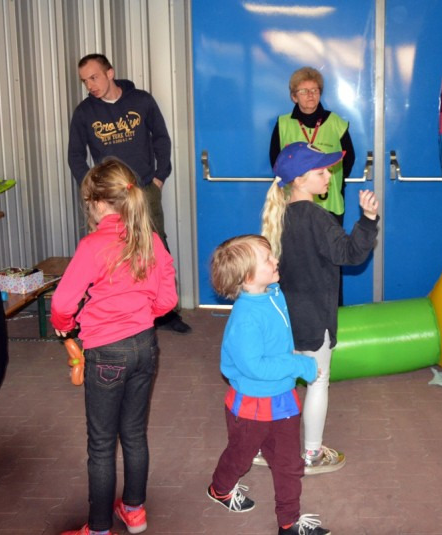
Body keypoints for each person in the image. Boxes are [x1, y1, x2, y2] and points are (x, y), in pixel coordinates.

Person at [51, 158, 178, 535]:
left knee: (102, 444)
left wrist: (65, 326)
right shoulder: (150, 238)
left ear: (96, 201)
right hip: (145, 347)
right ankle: (134, 511)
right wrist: (141, 315)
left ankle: (99, 528)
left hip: (106, 353)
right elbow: (168, 299)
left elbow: (62, 303)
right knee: (134, 433)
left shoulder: (92, 245)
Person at [260, 142, 378, 474]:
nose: (329, 176)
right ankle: (311, 454)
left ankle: (264, 447)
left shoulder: (275, 217)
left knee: (278, 383)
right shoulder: (318, 218)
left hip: (282, 320)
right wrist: (369, 220)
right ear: (299, 179)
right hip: (314, 320)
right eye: (321, 171)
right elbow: (351, 254)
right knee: (317, 381)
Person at [206, 234, 330, 535]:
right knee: (240, 457)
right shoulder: (246, 318)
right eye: (267, 259)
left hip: (283, 399)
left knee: (288, 464)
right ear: (248, 277)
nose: (276, 260)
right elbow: (256, 367)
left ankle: (288, 522)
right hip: (251, 408)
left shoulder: (272, 292)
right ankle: (220, 488)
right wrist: (300, 365)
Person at [68, 53, 191, 334]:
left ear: (110, 73)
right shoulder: (84, 112)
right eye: (85, 81)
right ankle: (116, 310)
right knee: (110, 250)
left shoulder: (141, 101)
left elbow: (161, 138)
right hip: (109, 196)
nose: (90, 85)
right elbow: (75, 155)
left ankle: (166, 313)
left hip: (144, 189)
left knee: (156, 245)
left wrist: (159, 176)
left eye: (94, 77)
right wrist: (92, 190)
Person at [269, 66, 355, 225]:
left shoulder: (335, 122)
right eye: (304, 91)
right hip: (294, 202)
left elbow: (349, 158)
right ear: (294, 97)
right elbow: (276, 162)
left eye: (315, 90)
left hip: (330, 201)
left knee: (331, 241)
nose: (310, 94)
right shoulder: (283, 124)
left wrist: (334, 182)